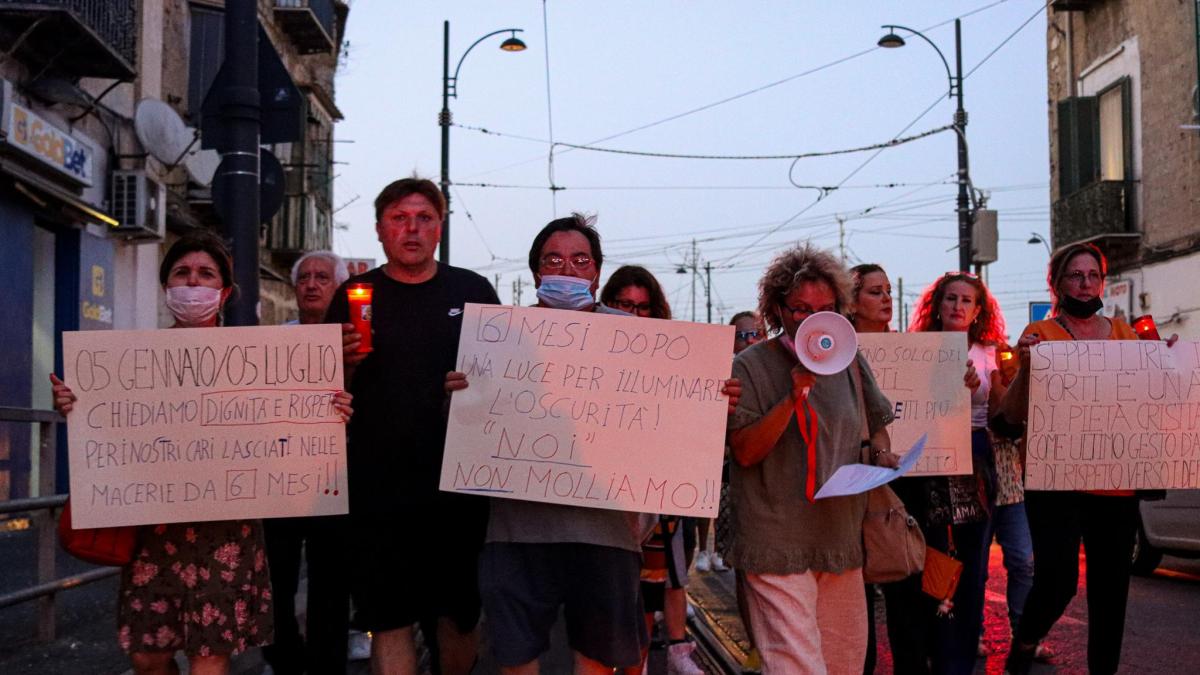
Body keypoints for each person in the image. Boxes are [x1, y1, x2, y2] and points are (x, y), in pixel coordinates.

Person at [446, 214, 741, 674]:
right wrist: (461, 395)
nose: (567, 270)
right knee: (515, 658)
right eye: (554, 259)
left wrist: (710, 402)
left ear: (597, 273)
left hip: (606, 533)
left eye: (580, 260)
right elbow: (471, 429)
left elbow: (670, 421)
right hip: (516, 532)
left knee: (599, 663)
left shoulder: (638, 340)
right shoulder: (498, 336)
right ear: (537, 272)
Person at [50, 231, 352, 675]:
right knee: (147, 657)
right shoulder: (128, 361)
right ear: (166, 285)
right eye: (182, 273)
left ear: (224, 291)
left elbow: (282, 429)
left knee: (209, 658)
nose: (193, 282)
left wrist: (328, 412)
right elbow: (112, 431)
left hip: (225, 531)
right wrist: (78, 406)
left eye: (206, 274)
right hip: (153, 528)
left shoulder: (258, 358)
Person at [326, 178, 500, 675]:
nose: (412, 228)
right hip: (377, 488)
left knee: (459, 618)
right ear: (380, 229)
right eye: (400, 218)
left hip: (457, 489)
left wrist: (473, 384)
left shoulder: (472, 291)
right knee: (390, 619)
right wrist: (346, 365)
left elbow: (507, 381)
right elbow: (325, 393)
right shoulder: (353, 296)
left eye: (424, 218)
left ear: (440, 229)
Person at [999, 243, 1172, 675]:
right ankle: (1025, 639)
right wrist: (1025, 368)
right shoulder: (1041, 334)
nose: (1086, 283)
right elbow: (1012, 415)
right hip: (1055, 478)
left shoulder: (1124, 334)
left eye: (1093, 275)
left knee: (1111, 590)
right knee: (1057, 581)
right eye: (1076, 276)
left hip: (1114, 479)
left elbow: (1146, 397)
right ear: (1057, 284)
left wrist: (1167, 362)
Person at [726, 243, 898, 674]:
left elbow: (874, 420)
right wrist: (793, 396)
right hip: (775, 543)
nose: (810, 319)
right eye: (799, 308)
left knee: (844, 665)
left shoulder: (849, 360)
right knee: (796, 667)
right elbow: (746, 451)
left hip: (838, 537)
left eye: (823, 309)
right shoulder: (751, 366)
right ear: (777, 309)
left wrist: (882, 455)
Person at [901, 271, 1007, 675]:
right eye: (950, 299)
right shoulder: (917, 350)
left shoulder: (990, 351)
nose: (958, 306)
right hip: (928, 454)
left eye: (966, 300)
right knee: (933, 556)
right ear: (937, 305)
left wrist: (998, 382)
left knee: (972, 560)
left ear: (978, 310)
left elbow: (1000, 411)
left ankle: (958, 658)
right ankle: (935, 642)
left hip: (975, 453)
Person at [600, 265, 704, 675]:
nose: (633, 315)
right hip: (600, 500)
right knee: (608, 595)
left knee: (647, 593)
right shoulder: (587, 357)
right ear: (608, 304)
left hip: (655, 502)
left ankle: (637, 668)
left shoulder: (675, 362)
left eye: (643, 307)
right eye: (624, 304)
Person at [262, 250, 353, 675]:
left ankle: (326, 662)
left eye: (322, 278)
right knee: (275, 577)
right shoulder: (273, 342)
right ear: (295, 288)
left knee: (331, 579)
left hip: (336, 478)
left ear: (338, 288)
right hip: (280, 480)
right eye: (305, 278)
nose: (312, 285)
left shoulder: (356, 342)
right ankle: (282, 655)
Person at [848, 263, 892, 675]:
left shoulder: (913, 348)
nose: (886, 300)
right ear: (852, 300)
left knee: (907, 596)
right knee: (858, 599)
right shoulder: (837, 350)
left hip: (902, 487)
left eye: (889, 291)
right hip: (855, 487)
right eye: (875, 292)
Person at [719, 310, 763, 674]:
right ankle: (754, 642)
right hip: (738, 486)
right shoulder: (724, 377)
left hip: (775, 486)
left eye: (757, 333)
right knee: (745, 569)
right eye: (743, 335)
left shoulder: (773, 370)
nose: (751, 341)